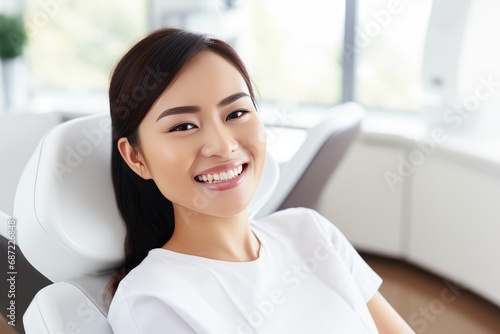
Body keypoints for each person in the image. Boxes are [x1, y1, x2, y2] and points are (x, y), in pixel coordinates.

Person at [106, 28, 415, 334]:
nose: (223, 145)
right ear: (136, 157)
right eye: (184, 126)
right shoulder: (153, 302)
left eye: (236, 113)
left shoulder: (312, 232)